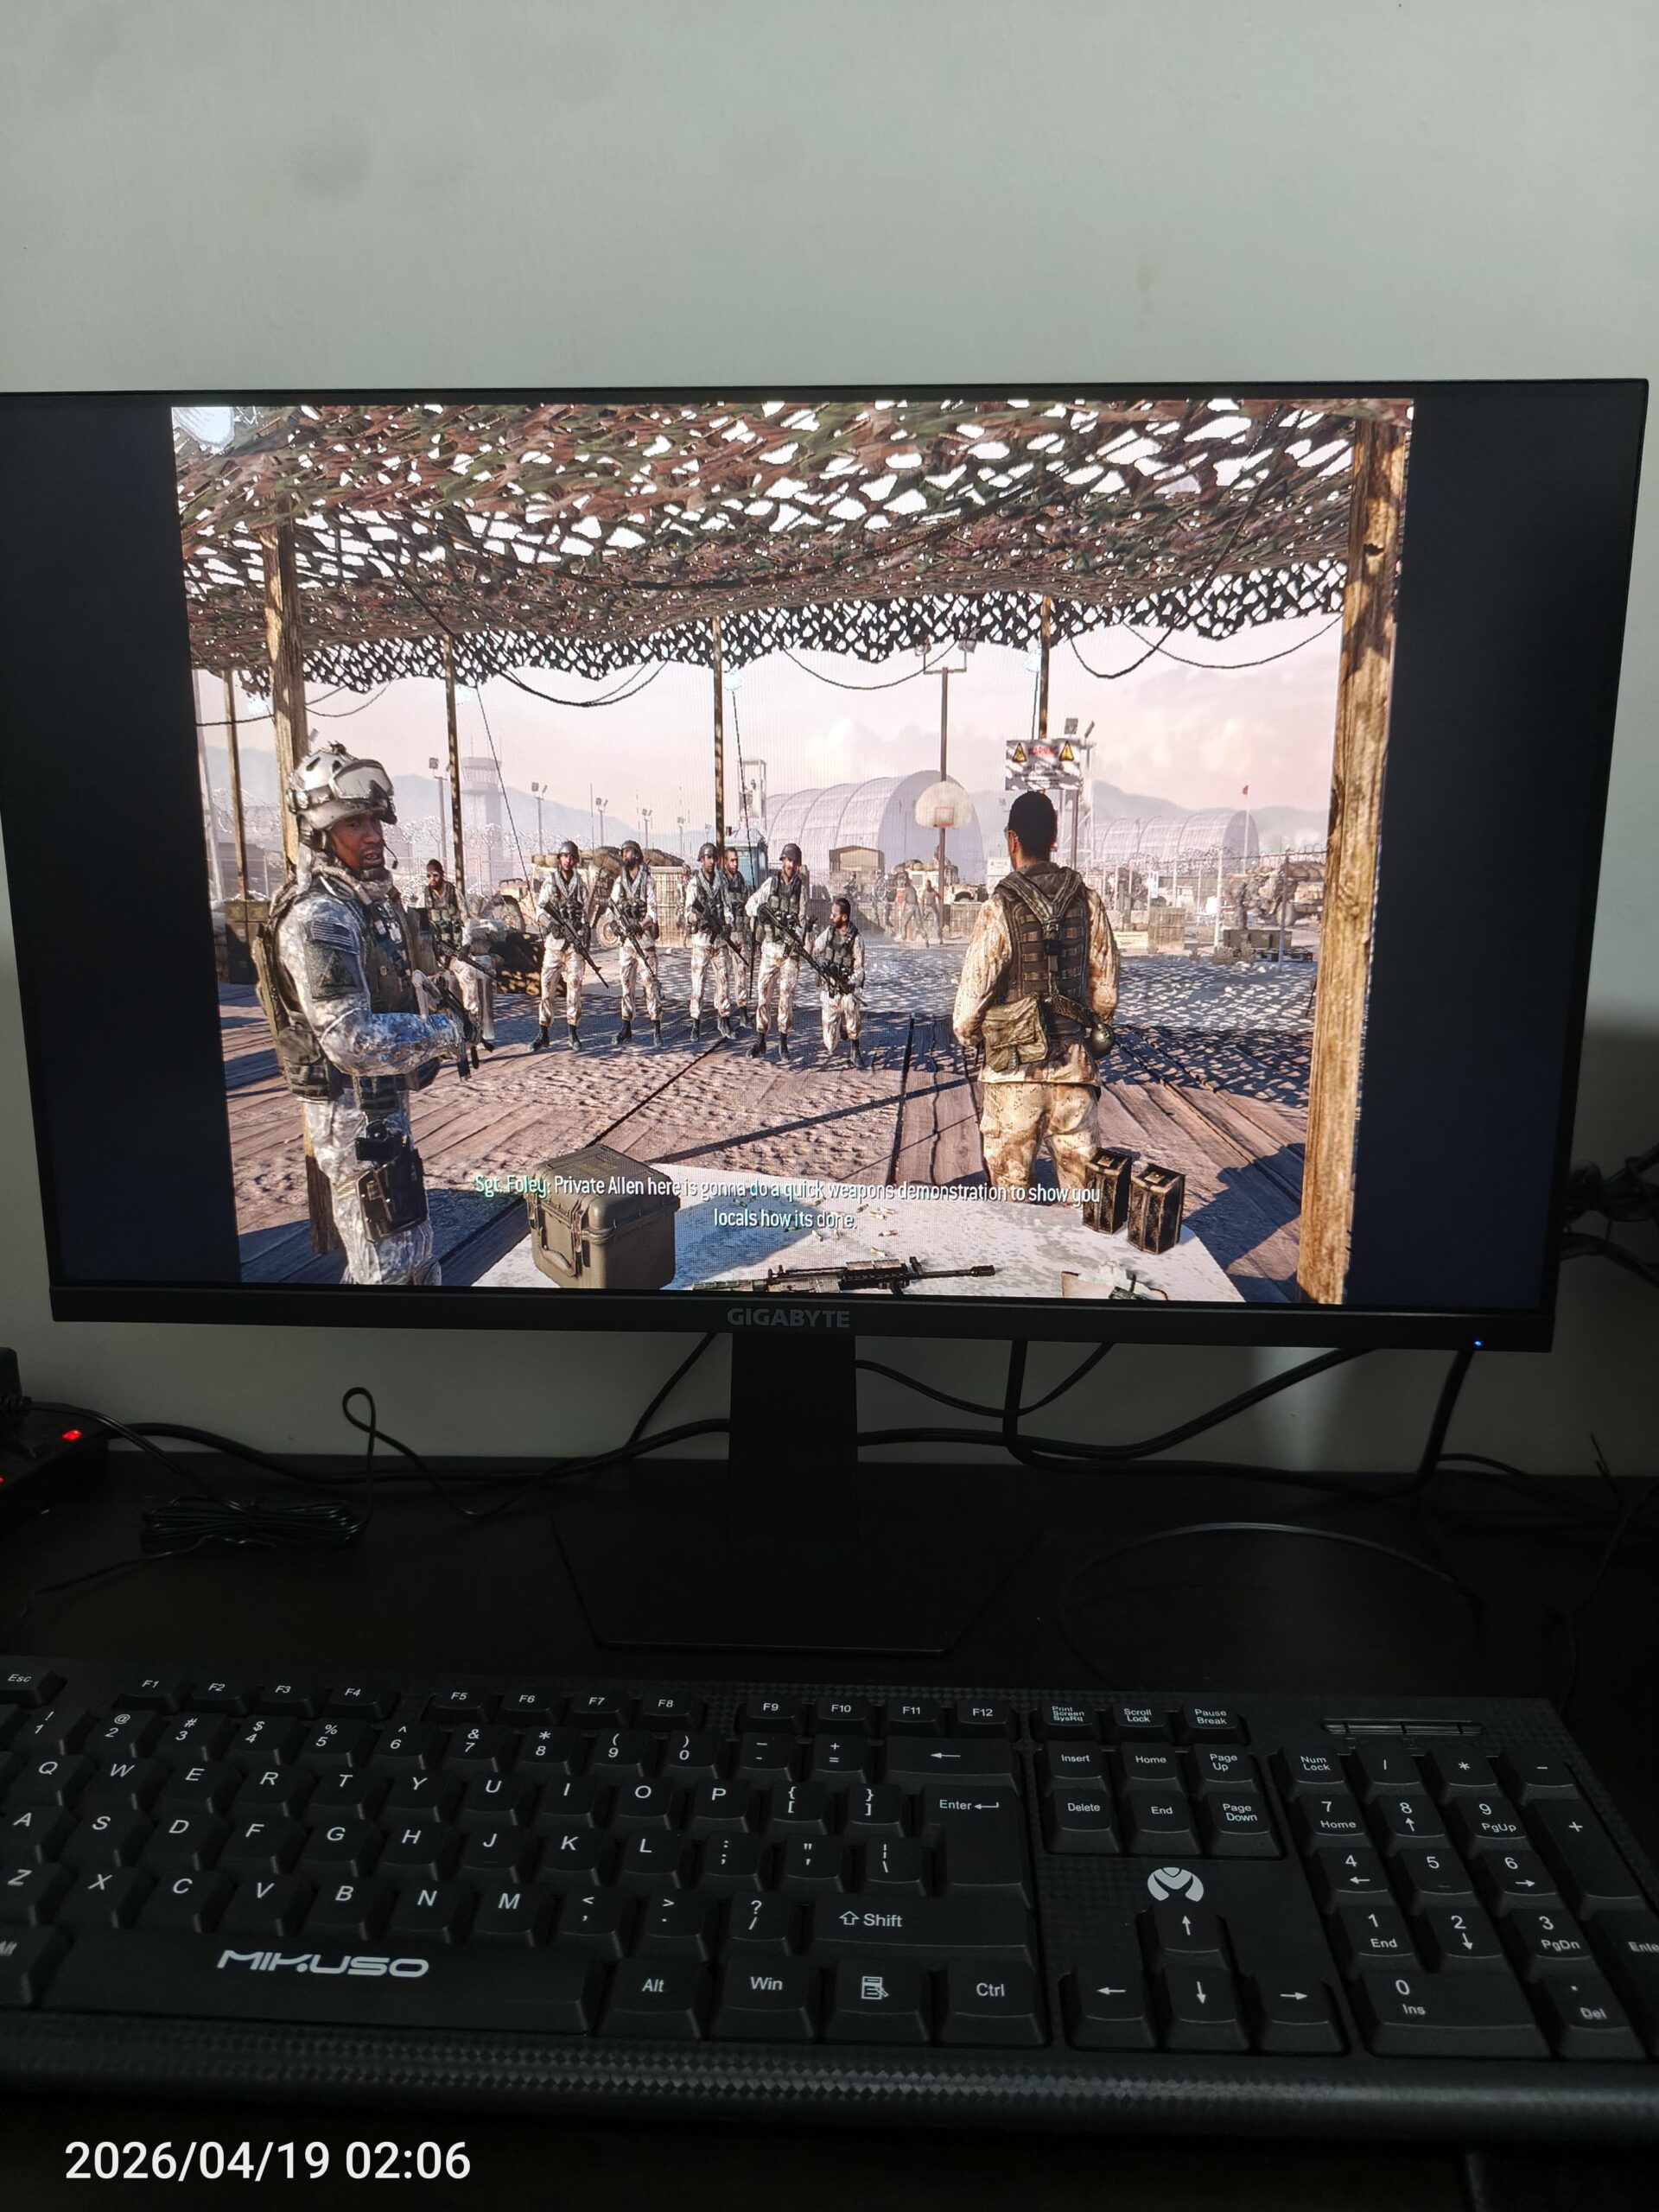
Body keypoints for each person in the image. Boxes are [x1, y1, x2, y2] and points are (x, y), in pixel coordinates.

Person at [256, 741, 468, 1286]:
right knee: (387, 1272)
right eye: (354, 823)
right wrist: (445, 1032)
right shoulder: (320, 917)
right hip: (353, 1122)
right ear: (318, 831)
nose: (373, 834)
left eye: (375, 819)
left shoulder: (358, 903)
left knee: (412, 1259)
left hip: (378, 1112)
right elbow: (349, 1038)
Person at [951, 787, 1120, 1192]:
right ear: (1054, 838)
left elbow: (966, 1015)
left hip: (1012, 1079)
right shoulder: (1089, 902)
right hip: (1073, 1074)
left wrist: (983, 1038)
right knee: (1083, 1208)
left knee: (1012, 1209)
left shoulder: (999, 907)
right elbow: (1106, 995)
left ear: (1012, 840)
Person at [744, 841, 808, 1060]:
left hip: (790, 953)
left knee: (786, 997)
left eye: (795, 862)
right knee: (763, 995)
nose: (791, 865)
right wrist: (760, 911)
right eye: (788, 860)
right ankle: (760, 1040)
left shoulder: (801, 889)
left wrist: (796, 939)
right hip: (770, 950)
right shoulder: (770, 884)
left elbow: (801, 921)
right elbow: (749, 905)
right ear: (782, 861)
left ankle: (783, 1041)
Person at [533, 840, 589, 1052]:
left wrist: (583, 935)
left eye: (572, 857)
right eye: (565, 856)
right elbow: (540, 911)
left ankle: (572, 1033)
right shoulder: (550, 882)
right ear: (560, 858)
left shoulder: (580, 884)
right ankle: (543, 1033)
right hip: (554, 945)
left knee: (574, 989)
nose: (569, 860)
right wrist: (550, 925)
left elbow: (585, 914)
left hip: (574, 946)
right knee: (547, 988)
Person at [683, 841, 737, 1040]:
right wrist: (699, 917)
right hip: (701, 942)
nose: (712, 861)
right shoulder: (694, 883)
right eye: (708, 857)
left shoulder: (721, 881)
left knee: (724, 982)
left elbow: (727, 907)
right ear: (701, 859)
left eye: (714, 858)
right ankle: (695, 1023)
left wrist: (728, 924)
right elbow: (687, 913)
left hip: (719, 942)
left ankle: (724, 1020)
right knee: (698, 985)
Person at [610, 838, 662, 1045]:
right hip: (626, 944)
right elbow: (612, 907)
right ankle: (626, 1027)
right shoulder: (619, 882)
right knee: (626, 985)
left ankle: (656, 1027)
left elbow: (653, 912)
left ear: (637, 855)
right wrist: (614, 924)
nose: (624, 855)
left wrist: (639, 926)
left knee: (650, 984)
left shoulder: (647, 881)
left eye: (628, 852)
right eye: (623, 852)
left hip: (644, 943)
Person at [812, 893, 866, 1066]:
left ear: (844, 917)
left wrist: (851, 983)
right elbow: (815, 950)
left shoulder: (856, 939)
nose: (830, 917)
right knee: (829, 1044)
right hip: (831, 989)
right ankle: (839, 1024)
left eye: (834, 915)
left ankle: (855, 1049)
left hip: (847, 988)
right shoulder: (829, 933)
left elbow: (860, 969)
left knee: (852, 1011)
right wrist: (822, 962)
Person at [453, 914, 499, 1052]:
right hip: (445, 958)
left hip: (464, 957)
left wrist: (467, 945)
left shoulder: (458, 903)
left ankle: (477, 1034)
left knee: (475, 983)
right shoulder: (426, 900)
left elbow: (469, 924)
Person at [416, 856, 463, 955]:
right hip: (435, 948)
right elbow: (419, 923)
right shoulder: (424, 897)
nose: (432, 879)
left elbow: (466, 920)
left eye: (435, 875)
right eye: (429, 876)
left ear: (442, 875)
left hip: (455, 947)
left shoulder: (455, 893)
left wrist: (465, 945)